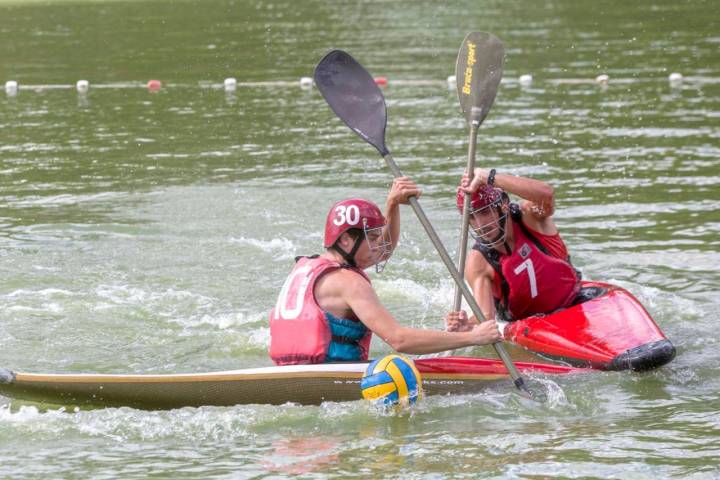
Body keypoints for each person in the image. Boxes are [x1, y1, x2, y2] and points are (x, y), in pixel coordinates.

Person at [269, 177, 501, 365]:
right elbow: (399, 340)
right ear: (347, 240)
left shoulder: (306, 266)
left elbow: (381, 251)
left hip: (291, 371)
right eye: (371, 238)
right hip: (331, 375)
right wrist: (473, 337)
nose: (377, 245)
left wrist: (393, 203)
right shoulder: (349, 282)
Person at [446, 168, 581, 332]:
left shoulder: (531, 217)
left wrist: (488, 177)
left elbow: (547, 194)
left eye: (485, 212)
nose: (481, 225)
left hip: (575, 301)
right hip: (530, 326)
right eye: (473, 217)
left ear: (503, 206)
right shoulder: (478, 263)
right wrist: (465, 325)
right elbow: (486, 318)